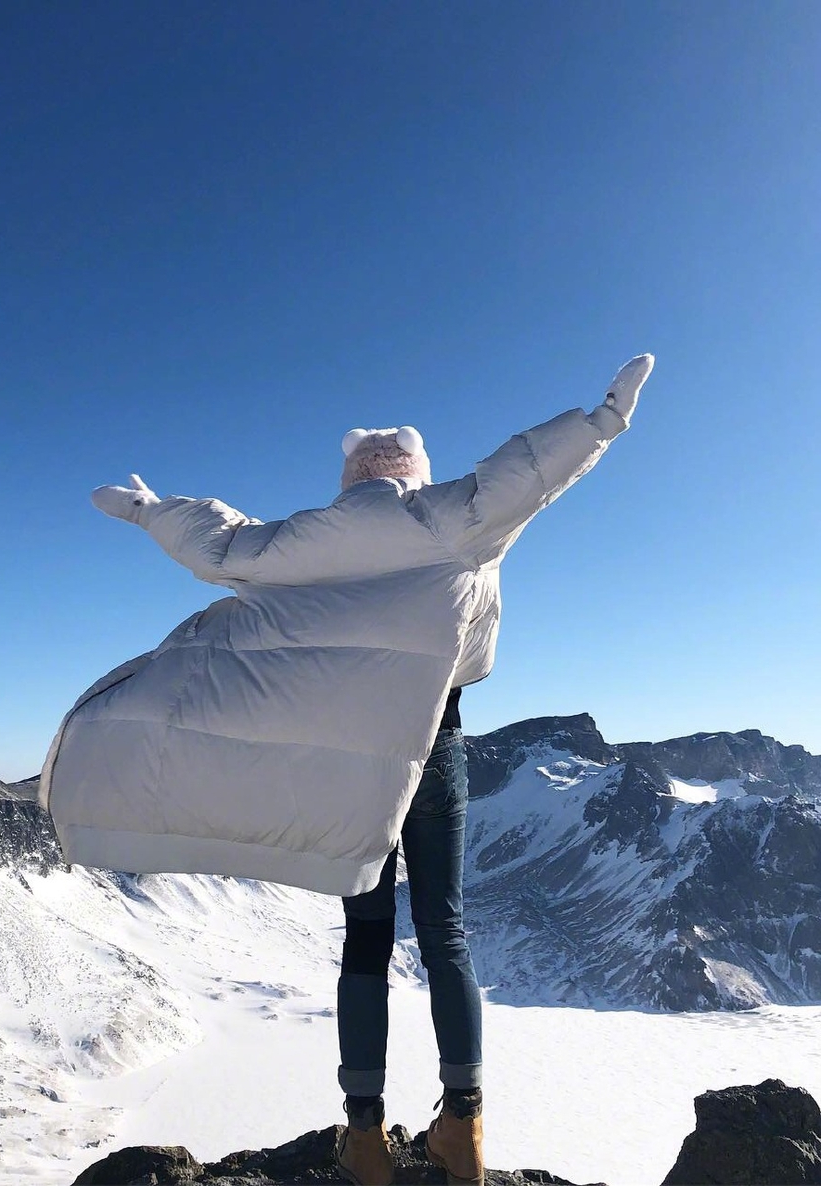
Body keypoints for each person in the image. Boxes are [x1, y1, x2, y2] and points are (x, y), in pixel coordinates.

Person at [40, 353, 654, 1186]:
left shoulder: (298, 541)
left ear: (350, 478)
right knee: (446, 934)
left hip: (341, 771)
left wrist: (145, 508)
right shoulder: (457, 519)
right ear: (414, 472)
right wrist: (602, 421)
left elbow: (211, 536)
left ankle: (364, 1138)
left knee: (365, 941)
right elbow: (527, 472)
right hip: (433, 746)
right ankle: (463, 1127)